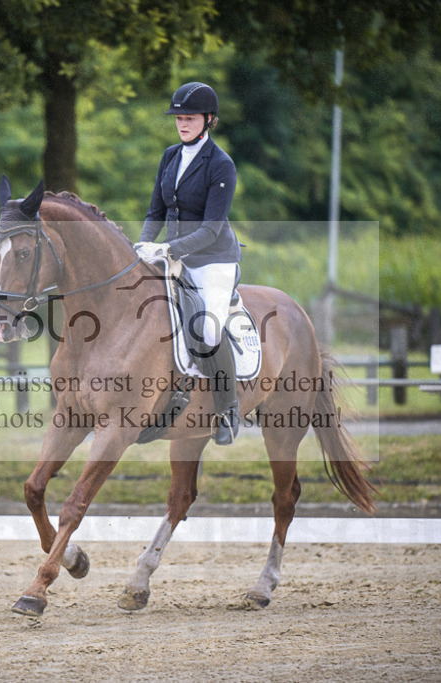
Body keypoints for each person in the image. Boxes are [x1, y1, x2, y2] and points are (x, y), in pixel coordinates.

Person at [134, 81, 242, 445]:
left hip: (213, 260)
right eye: (179, 117)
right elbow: (156, 210)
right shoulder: (169, 156)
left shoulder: (222, 165)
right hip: (174, 255)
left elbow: (212, 230)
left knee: (208, 330)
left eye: (190, 118)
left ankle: (228, 409)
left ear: (209, 120)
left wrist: (168, 250)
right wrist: (144, 244)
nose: (182, 123)